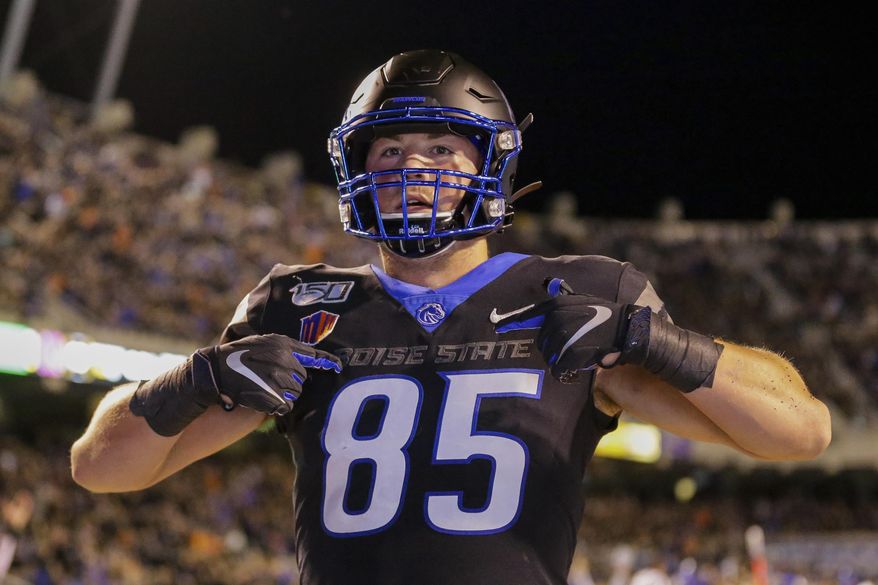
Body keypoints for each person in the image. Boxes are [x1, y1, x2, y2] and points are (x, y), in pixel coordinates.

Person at [70, 50, 831, 585]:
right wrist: (198, 375)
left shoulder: (579, 296)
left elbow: (800, 429)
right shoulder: (296, 305)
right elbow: (102, 466)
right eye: (390, 149)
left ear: (491, 166)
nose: (412, 169)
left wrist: (654, 340)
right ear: (355, 169)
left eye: (442, 147)